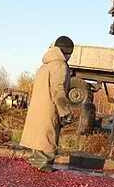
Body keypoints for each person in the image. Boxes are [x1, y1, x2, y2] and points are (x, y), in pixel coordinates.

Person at [20, 36, 75, 172]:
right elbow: (58, 91)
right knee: (46, 146)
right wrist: (65, 112)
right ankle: (41, 176)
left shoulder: (46, 65)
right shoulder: (60, 65)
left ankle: (34, 175)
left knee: (38, 146)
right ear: (67, 52)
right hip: (48, 111)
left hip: (38, 111)